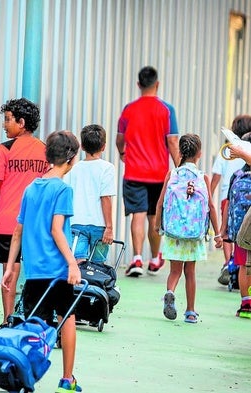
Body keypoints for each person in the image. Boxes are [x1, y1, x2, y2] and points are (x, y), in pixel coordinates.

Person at [2, 130, 82, 393]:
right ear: (70, 158)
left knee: (35, 327)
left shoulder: (31, 187)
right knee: (67, 319)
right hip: (57, 271)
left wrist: (11, 267)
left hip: (34, 271)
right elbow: (57, 230)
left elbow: (18, 231)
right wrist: (72, 262)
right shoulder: (63, 190)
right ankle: (67, 379)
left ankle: (26, 378)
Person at [0, 98, 49, 328]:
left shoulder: (5, 149)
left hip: (7, 221)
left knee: (9, 270)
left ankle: (7, 318)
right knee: (37, 270)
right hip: (35, 223)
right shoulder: (45, 149)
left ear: (21, 122)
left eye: (7, 120)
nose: (4, 125)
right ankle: (36, 316)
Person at [116, 66, 180, 277]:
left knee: (138, 214)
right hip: (158, 173)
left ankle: (136, 259)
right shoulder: (166, 109)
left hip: (134, 172)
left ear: (138, 85)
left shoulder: (128, 110)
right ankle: (154, 259)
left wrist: (122, 153)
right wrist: (181, 167)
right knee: (154, 216)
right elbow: (172, 141)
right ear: (157, 84)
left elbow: (120, 139)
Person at [155, 134, 222, 323]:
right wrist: (217, 234)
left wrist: (157, 225)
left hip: (174, 233)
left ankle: (169, 292)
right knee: (190, 272)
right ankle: (191, 312)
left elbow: (160, 203)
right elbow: (211, 207)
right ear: (199, 154)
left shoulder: (172, 174)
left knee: (174, 271)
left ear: (180, 152)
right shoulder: (203, 177)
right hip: (194, 234)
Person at [63, 124, 116, 263]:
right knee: (97, 266)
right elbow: (106, 198)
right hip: (99, 224)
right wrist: (109, 227)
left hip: (76, 223)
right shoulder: (107, 168)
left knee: (77, 262)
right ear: (103, 146)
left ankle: (77, 285)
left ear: (82, 147)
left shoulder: (73, 169)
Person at [211, 115, 251, 285]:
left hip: (229, 196)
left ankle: (229, 262)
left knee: (230, 233)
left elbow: (216, 175)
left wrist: (210, 194)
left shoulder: (228, 149)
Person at [220, 132, 251, 318]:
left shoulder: (237, 175)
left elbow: (228, 203)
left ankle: (246, 303)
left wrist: (224, 230)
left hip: (241, 230)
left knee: (244, 265)